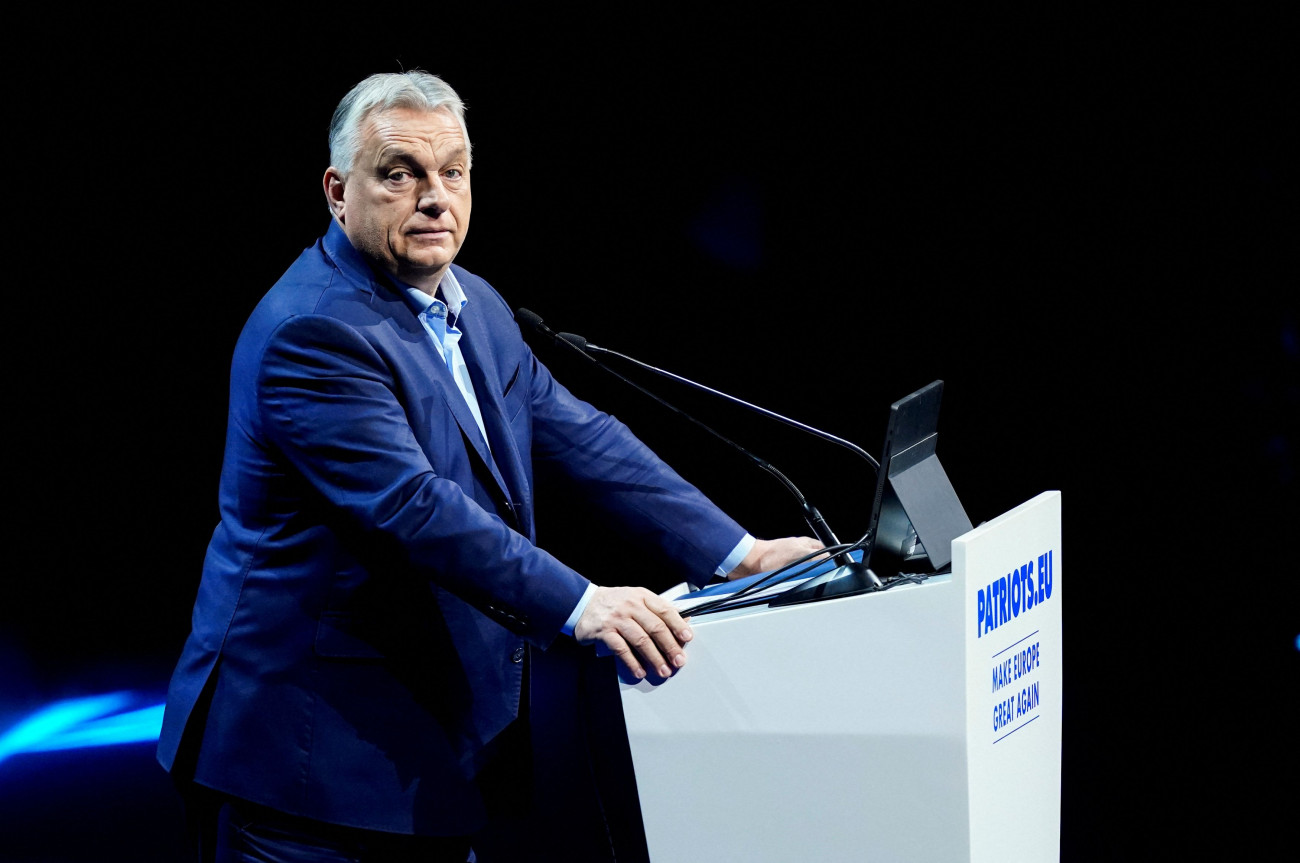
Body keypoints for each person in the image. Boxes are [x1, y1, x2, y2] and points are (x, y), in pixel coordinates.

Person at [157, 69, 821, 862]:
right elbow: (415, 507)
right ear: (338, 192)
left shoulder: (473, 304)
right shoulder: (314, 334)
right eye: (399, 174)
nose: (434, 198)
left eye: (453, 172)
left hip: (421, 743)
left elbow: (584, 439)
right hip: (307, 755)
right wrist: (583, 604)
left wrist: (740, 554)